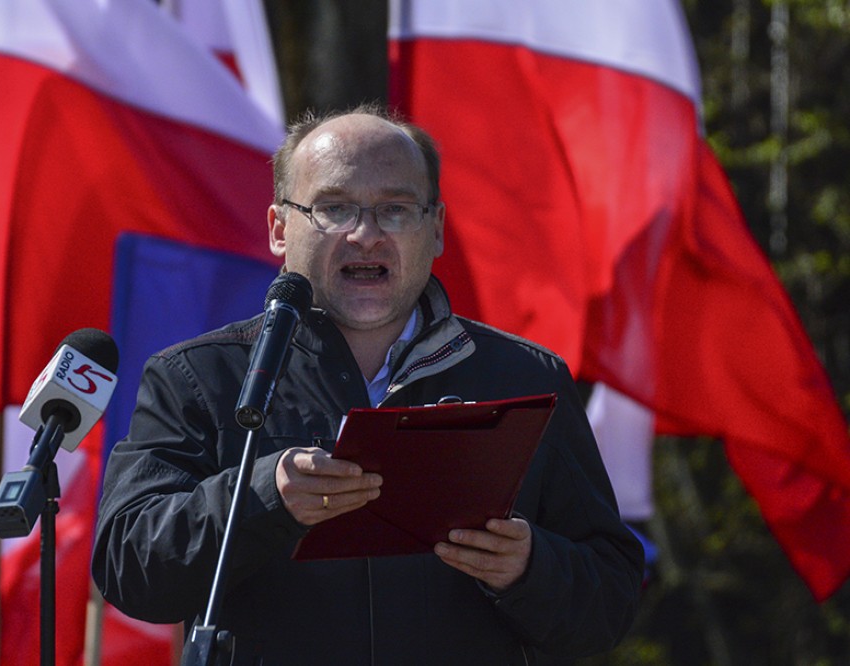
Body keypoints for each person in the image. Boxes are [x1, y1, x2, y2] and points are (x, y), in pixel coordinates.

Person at [92, 105, 644, 664]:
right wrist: (264, 496)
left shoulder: (525, 377)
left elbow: (611, 601)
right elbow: (127, 570)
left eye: (395, 210)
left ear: (436, 229)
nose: (366, 235)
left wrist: (528, 568)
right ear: (280, 229)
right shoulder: (198, 377)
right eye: (334, 208)